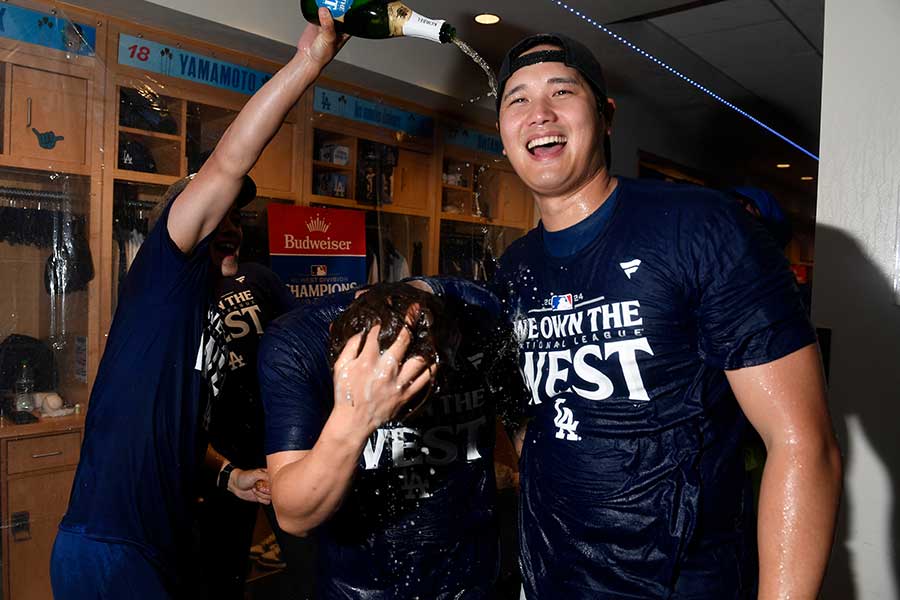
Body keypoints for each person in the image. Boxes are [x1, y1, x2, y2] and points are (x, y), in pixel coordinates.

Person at [487, 33, 843, 599]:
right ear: (502, 132)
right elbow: (536, 425)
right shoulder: (513, 270)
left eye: (562, 91)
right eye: (517, 100)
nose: (540, 114)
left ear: (605, 116)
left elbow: (802, 442)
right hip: (550, 581)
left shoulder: (699, 227)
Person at [50, 10, 347, 598]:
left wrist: (230, 474)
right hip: (110, 547)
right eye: (219, 216)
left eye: (237, 218)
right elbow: (230, 161)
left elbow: (173, 432)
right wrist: (307, 62)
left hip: (157, 548)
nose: (230, 228)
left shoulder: (199, 315)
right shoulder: (163, 270)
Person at [260, 280, 521, 599]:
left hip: (473, 577)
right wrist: (356, 415)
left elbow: (524, 427)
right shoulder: (298, 340)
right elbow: (293, 515)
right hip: (358, 585)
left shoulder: (479, 313)